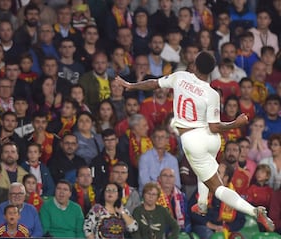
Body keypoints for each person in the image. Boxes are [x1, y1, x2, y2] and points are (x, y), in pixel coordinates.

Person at [115, 51, 275, 232]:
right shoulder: (212, 94)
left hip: (193, 139)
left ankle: (254, 211)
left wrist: (130, 85)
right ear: (211, 71)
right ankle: (201, 204)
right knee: (205, 170)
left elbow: (154, 83)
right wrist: (235, 124)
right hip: (211, 139)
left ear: (195, 66)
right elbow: (214, 127)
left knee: (218, 188)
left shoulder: (180, 77)